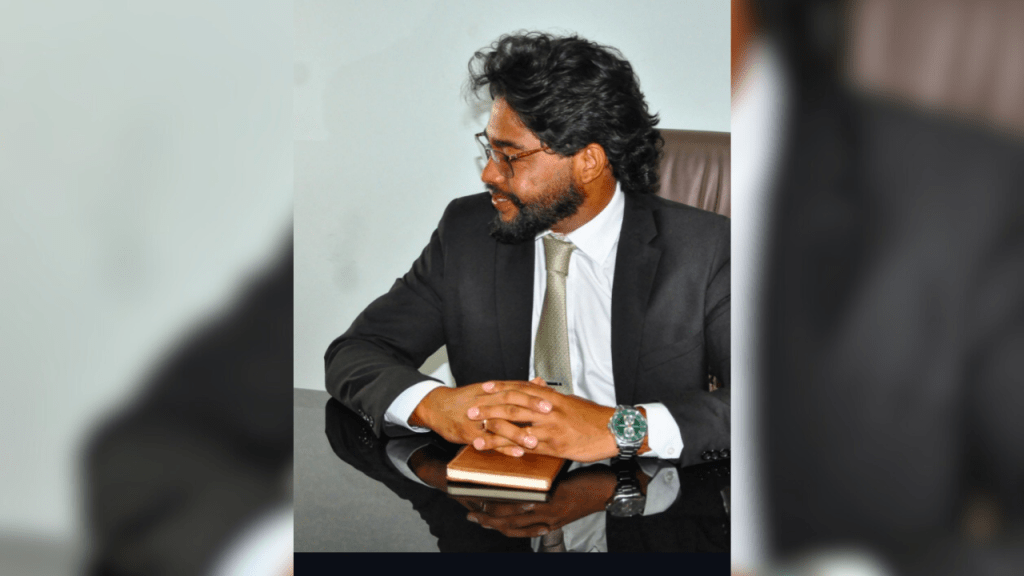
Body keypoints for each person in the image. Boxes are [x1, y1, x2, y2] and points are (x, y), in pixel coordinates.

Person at [325, 32, 729, 469]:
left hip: (651, 494)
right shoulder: (468, 232)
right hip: (497, 494)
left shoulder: (705, 250)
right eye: (489, 148)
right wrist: (435, 405)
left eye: (510, 157)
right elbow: (357, 352)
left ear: (589, 161)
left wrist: (620, 430)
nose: (489, 173)